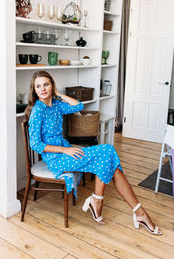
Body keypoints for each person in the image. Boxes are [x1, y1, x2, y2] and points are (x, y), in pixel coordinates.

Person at [25, 70, 162, 235]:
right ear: (34, 90)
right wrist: (65, 149)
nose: (42, 89)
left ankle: (131, 210)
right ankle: (106, 203)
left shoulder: (55, 104)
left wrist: (58, 94)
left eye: (46, 84)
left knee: (110, 162)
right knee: (108, 152)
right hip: (56, 158)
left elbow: (79, 106)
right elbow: (35, 144)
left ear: (52, 85)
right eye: (38, 86)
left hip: (66, 151)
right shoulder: (38, 111)